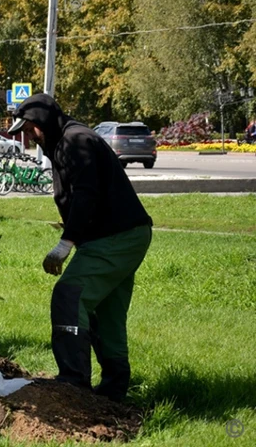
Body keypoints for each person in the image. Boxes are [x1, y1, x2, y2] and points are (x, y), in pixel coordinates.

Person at [8, 93, 153, 402]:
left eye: (26, 128)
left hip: (116, 237)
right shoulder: (63, 142)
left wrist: (66, 243)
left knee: (69, 296)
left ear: (41, 123)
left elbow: (87, 193)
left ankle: (73, 384)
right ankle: (114, 392)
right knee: (105, 312)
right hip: (124, 235)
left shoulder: (76, 140)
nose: (24, 136)